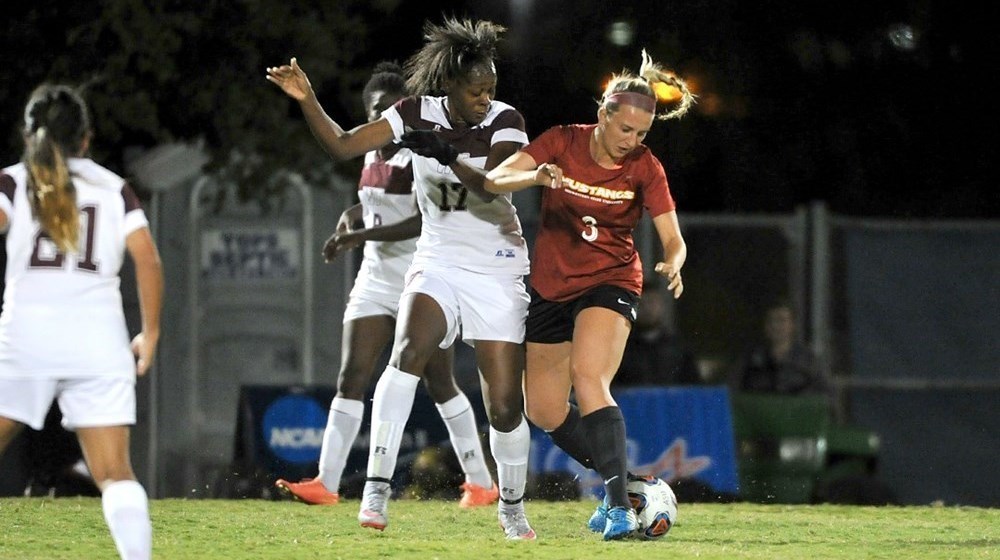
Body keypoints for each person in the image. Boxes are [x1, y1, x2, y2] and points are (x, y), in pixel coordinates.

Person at [266, 18, 536, 539]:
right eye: (476, 90)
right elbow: (345, 145)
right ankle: (375, 490)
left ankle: (511, 505)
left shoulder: (507, 121)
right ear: (449, 86)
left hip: (497, 267)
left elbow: (494, 187)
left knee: (504, 407)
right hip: (436, 260)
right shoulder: (415, 112)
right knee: (406, 354)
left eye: (491, 89)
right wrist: (307, 98)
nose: (485, 98)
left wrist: (446, 155)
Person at [482, 50, 695, 540]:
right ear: (603, 115)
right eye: (626, 130)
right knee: (543, 410)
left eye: (642, 135)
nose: (633, 142)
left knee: (589, 376)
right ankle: (632, 484)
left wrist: (675, 263)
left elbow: (674, 239)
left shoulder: (646, 167)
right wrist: (535, 177)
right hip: (552, 288)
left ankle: (619, 508)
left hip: (611, 281)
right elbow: (496, 180)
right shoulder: (563, 141)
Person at [0, 84, 163, 560]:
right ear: (86, 139)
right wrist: (150, 333)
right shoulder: (115, 188)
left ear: (29, 134)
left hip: (25, 336)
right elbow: (147, 261)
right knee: (114, 473)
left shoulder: (13, 181)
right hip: (98, 339)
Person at [728, 299, 833, 398]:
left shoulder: (808, 361)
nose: (775, 326)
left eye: (781, 320)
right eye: (771, 320)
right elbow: (732, 390)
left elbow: (826, 396)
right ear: (765, 326)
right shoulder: (750, 360)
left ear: (792, 325)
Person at [616, 280, 701, 386]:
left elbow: (694, 387)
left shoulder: (678, 347)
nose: (647, 308)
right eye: (641, 304)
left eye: (652, 302)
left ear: (662, 305)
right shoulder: (622, 348)